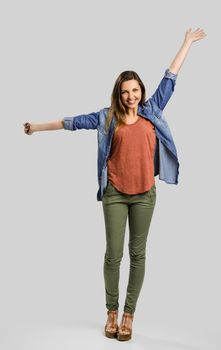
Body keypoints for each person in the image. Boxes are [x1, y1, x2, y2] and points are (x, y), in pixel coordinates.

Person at [23, 28, 206, 341]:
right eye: (125, 92)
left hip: (145, 195)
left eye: (135, 90)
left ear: (141, 92)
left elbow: (171, 77)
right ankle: (110, 311)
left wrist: (187, 42)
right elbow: (71, 122)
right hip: (115, 194)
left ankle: (129, 315)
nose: (131, 96)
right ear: (118, 94)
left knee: (139, 254)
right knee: (113, 254)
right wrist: (36, 127)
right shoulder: (107, 117)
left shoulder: (152, 111)